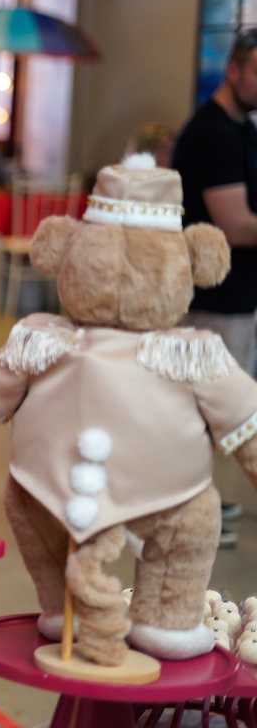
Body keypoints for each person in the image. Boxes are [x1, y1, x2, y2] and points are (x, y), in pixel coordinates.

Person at [172, 28, 257, 547]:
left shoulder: (242, 129)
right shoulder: (211, 133)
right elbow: (236, 225)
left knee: (222, 407)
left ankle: (198, 498)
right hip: (213, 294)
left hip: (239, 292)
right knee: (206, 406)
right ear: (233, 69)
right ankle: (185, 508)